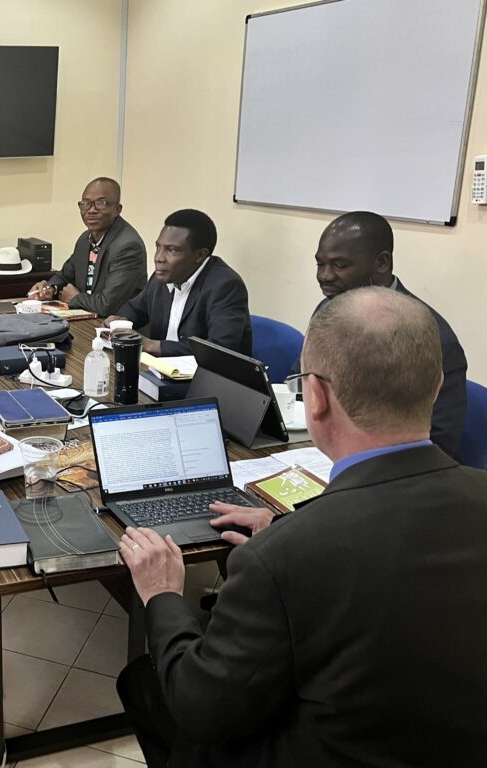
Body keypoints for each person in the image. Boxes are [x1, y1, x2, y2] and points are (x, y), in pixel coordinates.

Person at [116, 287, 487, 767]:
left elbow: (200, 709)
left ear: (315, 396)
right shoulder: (293, 544)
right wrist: (288, 528)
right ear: (436, 388)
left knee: (146, 685)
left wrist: (163, 594)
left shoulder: (281, 558)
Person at [291, 210, 467, 459]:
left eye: (340, 265)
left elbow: (440, 442)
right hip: (318, 456)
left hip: (391, 471)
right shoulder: (328, 310)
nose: (325, 276)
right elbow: (301, 383)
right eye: (320, 264)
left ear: (382, 263)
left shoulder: (435, 338)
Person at [105, 209, 252, 356]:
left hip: (204, 369)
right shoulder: (161, 278)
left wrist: (153, 345)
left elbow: (220, 348)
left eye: (172, 250)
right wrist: (121, 320)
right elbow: (136, 309)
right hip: (159, 367)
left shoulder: (225, 286)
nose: (159, 258)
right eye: (158, 247)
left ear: (200, 255)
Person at [27, 177, 147, 316]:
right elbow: (65, 276)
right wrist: (49, 288)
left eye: (101, 203)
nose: (91, 210)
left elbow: (107, 305)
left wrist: (75, 298)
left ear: (117, 209)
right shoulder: (85, 239)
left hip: (117, 325)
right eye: (86, 204)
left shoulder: (128, 246)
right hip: (88, 317)